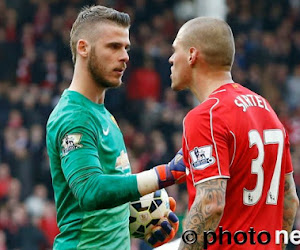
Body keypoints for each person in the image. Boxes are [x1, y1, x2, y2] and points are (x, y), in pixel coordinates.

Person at [46, 5, 186, 250]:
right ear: (83, 48)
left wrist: (144, 218)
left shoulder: (102, 114)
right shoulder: (74, 117)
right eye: (113, 46)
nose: (125, 56)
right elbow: (89, 189)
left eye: (126, 48)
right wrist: (161, 175)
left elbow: (97, 207)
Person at [168, 17, 299, 249]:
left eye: (174, 50)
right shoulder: (267, 109)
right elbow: (289, 201)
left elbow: (211, 204)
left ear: (191, 55)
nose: (170, 59)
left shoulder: (206, 116)